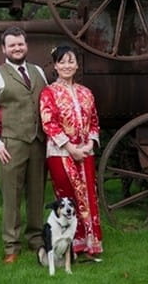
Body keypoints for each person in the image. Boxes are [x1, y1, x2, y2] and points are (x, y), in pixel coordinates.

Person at [0, 26, 48, 264]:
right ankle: (11, 246)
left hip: (38, 142)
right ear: (3, 49)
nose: (17, 48)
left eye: (20, 44)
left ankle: (36, 239)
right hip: (11, 144)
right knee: (12, 196)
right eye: (12, 45)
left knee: (37, 193)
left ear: (26, 45)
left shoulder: (38, 72)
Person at [39, 44, 103, 261]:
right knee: (68, 197)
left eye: (71, 61)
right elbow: (50, 123)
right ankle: (69, 247)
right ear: (55, 65)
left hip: (85, 152)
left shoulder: (87, 93)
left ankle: (90, 244)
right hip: (60, 153)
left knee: (88, 195)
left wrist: (90, 145)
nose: (67, 66)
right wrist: (70, 148)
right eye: (62, 61)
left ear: (77, 65)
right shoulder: (49, 93)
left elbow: (94, 121)